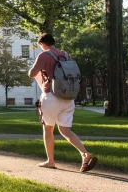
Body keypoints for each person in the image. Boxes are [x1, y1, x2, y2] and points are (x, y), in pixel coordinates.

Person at [28, 33, 97, 172]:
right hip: (68, 97)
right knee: (65, 130)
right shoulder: (65, 54)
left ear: (42, 44)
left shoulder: (44, 55)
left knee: (48, 128)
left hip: (51, 96)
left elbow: (32, 73)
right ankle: (84, 153)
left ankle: (51, 161)